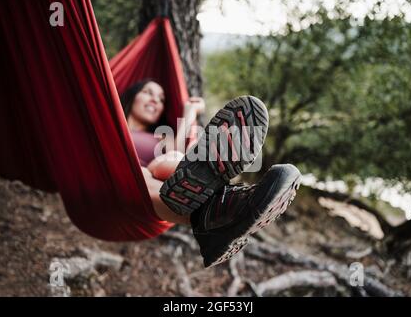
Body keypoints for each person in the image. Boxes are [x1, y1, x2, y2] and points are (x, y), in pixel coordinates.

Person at [121, 79, 301, 267]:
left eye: (161, 98)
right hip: (121, 176)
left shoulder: (162, 136)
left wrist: (189, 112)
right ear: (132, 96)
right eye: (148, 93)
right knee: (152, 168)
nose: (156, 100)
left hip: (157, 180)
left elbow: (178, 148)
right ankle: (228, 206)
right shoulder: (111, 125)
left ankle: (220, 210)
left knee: (172, 156)